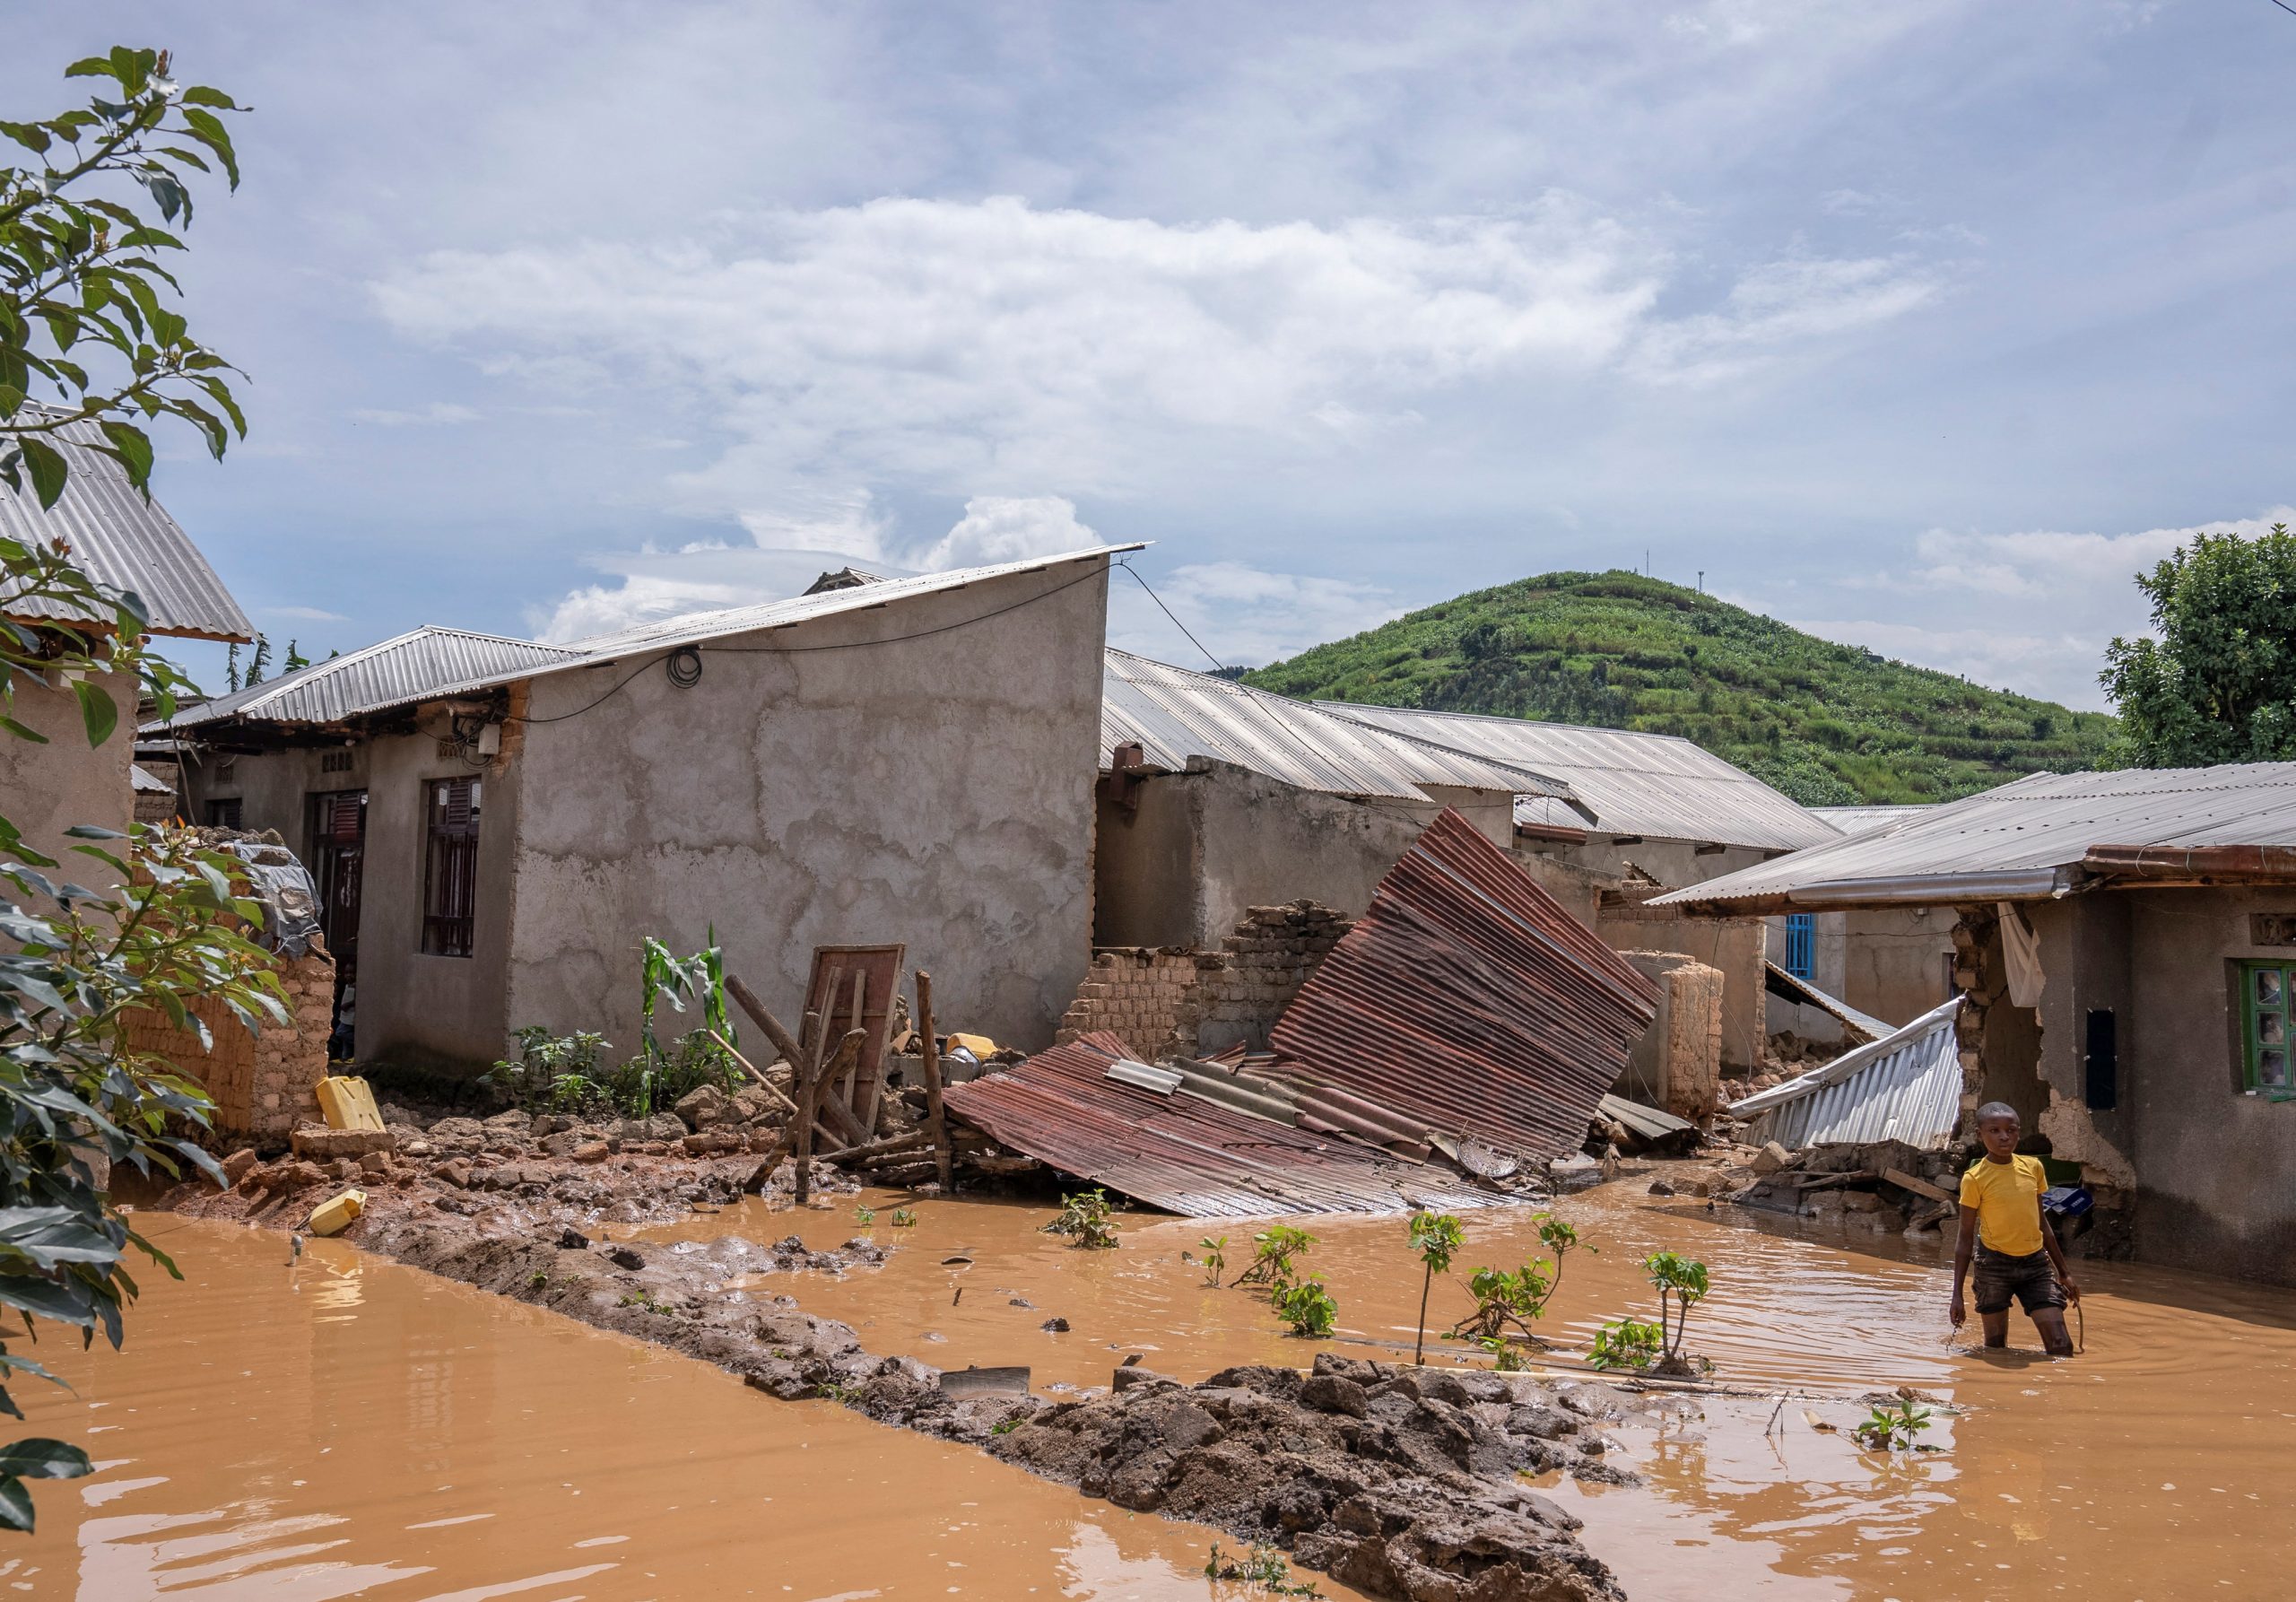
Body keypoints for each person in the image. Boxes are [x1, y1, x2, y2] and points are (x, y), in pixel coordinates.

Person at [1948, 1101, 2079, 1354]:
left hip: (2035, 1266)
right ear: (1980, 1135)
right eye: (1994, 1131)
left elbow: (2042, 1223)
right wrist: (1957, 1294)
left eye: (2011, 1130)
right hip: (1993, 1266)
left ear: (2019, 1132)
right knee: (1996, 1349)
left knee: (2062, 1347)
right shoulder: (1974, 1178)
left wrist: (2065, 1273)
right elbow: (1964, 1238)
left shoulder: (2033, 1168)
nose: (2004, 1136)